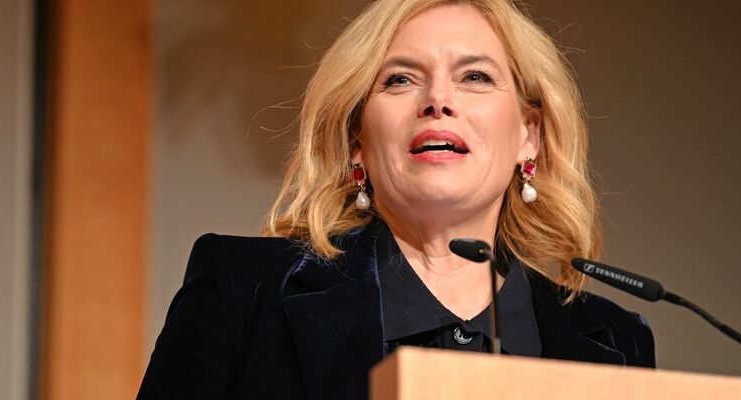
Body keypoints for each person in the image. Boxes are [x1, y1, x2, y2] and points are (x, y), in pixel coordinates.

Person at [137, 0, 655, 399]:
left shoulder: (615, 340)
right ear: (357, 141)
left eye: (475, 77)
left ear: (529, 135)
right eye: (400, 79)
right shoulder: (244, 290)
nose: (438, 100)